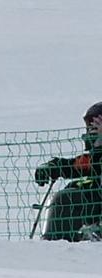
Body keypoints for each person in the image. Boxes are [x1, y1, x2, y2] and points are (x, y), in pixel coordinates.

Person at [33, 102, 102, 241]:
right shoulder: (92, 158)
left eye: (97, 124)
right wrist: (53, 167)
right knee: (70, 193)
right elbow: (73, 165)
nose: (92, 129)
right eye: (90, 125)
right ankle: (56, 242)